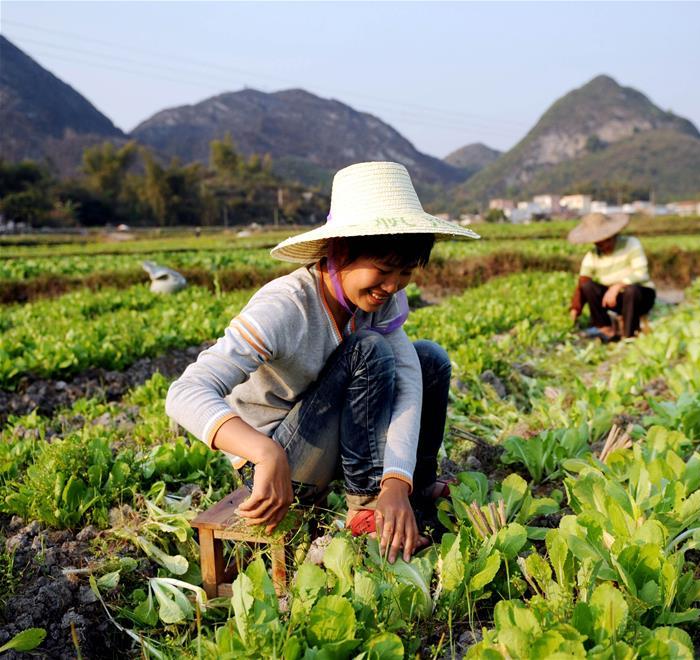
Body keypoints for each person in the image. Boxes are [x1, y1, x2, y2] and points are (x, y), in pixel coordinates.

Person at [166, 161, 479, 564]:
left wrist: (398, 482)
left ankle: (413, 489)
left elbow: (408, 379)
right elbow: (184, 393)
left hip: (331, 441)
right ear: (341, 251)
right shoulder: (286, 308)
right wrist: (264, 453)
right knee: (368, 349)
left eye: (404, 273)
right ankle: (365, 508)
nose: (392, 286)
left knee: (429, 359)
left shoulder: (379, 302)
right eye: (382, 270)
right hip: (278, 464)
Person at [568, 212, 656, 342]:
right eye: (599, 243)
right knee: (588, 287)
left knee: (631, 291)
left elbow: (641, 273)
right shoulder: (592, 256)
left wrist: (618, 286)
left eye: (607, 240)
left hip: (640, 296)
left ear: (613, 235)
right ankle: (605, 329)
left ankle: (628, 334)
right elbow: (583, 282)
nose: (604, 245)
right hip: (614, 300)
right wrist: (576, 308)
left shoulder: (631, 243)